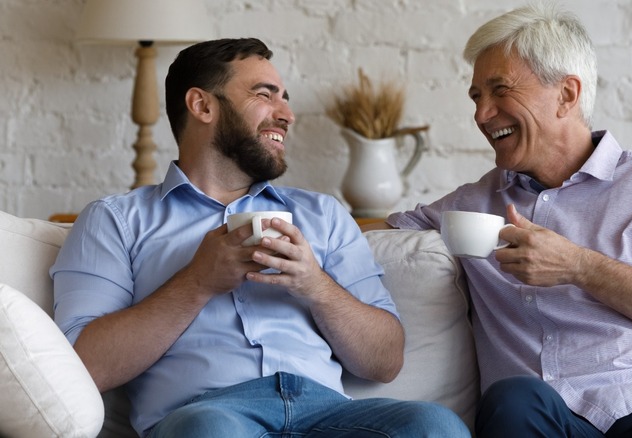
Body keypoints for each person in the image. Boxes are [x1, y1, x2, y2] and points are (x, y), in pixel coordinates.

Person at [368, 4, 632, 437]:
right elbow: (374, 233)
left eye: (500, 90)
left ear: (566, 94)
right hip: (552, 414)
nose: (481, 115)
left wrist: (579, 266)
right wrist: (297, 215)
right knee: (512, 399)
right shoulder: (473, 205)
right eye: (476, 97)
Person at [51, 38, 470, 438]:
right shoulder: (116, 221)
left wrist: (316, 286)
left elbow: (385, 361)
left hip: (329, 415)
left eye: (284, 97)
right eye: (265, 94)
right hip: (208, 414)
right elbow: (84, 367)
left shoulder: (322, 215)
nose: (286, 114)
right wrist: (198, 281)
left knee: (434, 426)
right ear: (202, 105)